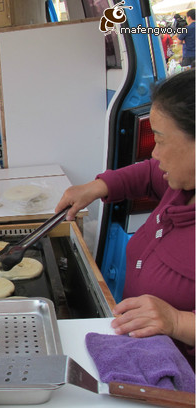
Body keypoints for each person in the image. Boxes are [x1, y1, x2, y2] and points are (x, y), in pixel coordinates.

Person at [55, 69, 195, 366]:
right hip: (134, 352)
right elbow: (147, 173)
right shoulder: (183, 183)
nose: (155, 154)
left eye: (160, 140)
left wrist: (178, 322)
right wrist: (96, 187)